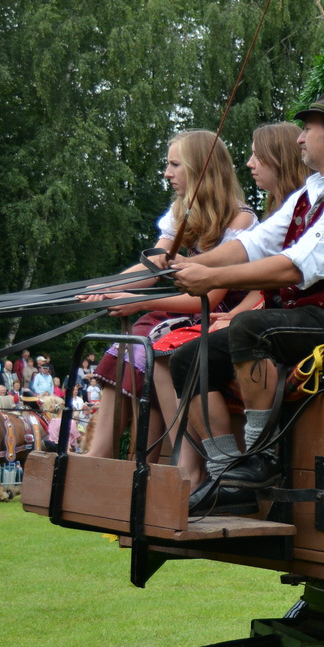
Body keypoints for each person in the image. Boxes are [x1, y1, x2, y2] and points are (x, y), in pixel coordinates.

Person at [166, 92, 324, 515]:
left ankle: (262, 458)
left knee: (251, 327)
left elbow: (293, 267)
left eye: (307, 129)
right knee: (187, 358)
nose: (299, 139)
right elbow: (255, 244)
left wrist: (210, 277)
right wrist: (186, 265)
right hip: (307, 318)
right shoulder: (313, 190)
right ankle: (226, 473)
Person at [84, 129, 258, 475]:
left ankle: (185, 463)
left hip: (213, 316)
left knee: (158, 345)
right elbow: (154, 265)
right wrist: (104, 287)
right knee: (124, 349)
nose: (167, 173)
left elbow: (209, 298)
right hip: (178, 310)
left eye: (175, 164)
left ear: (200, 169)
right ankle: (103, 455)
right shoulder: (182, 213)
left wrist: (136, 301)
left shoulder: (241, 220)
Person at [247, 121, 307, 219]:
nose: (249, 163)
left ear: (283, 159)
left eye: (258, 156)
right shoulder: (279, 210)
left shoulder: (307, 211)